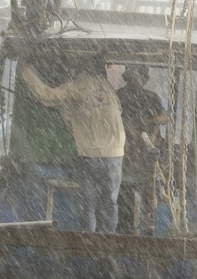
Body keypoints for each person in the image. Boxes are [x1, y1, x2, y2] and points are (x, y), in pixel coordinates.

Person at [18, 57, 125, 233]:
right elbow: (116, 112)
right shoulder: (109, 90)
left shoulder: (76, 86)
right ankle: (108, 244)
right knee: (110, 204)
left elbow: (46, 96)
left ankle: (87, 244)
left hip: (90, 155)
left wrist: (26, 71)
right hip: (115, 155)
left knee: (88, 206)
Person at [116, 64, 167, 234]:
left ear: (145, 80)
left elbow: (164, 117)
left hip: (147, 155)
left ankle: (147, 231)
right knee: (125, 197)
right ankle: (125, 234)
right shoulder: (120, 97)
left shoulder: (152, 98)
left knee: (150, 195)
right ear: (127, 78)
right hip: (125, 153)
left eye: (141, 78)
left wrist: (149, 123)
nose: (138, 82)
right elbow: (118, 122)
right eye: (134, 78)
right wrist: (134, 130)